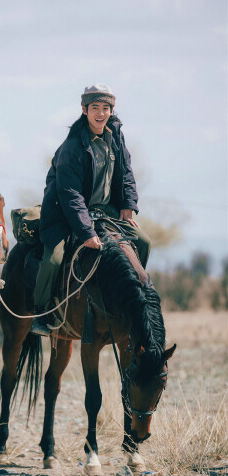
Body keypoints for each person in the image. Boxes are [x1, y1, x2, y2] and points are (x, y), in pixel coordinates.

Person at [31, 83, 151, 336]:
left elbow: (126, 172)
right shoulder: (71, 147)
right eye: (95, 107)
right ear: (84, 110)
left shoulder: (116, 135)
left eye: (105, 108)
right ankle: (41, 312)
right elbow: (70, 195)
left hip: (106, 211)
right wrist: (86, 232)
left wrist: (128, 206)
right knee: (53, 258)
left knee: (144, 242)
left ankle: (134, 299)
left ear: (111, 110)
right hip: (65, 214)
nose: (100, 113)